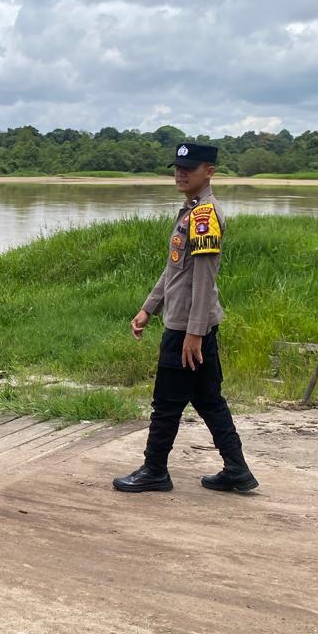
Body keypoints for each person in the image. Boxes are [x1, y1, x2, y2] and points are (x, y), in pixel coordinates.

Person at [112, 142, 258, 495]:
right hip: (185, 322)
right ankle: (237, 471)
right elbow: (175, 270)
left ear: (209, 171)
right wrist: (149, 308)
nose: (180, 174)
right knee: (208, 399)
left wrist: (193, 333)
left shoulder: (205, 216)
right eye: (177, 168)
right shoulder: (190, 212)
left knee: (166, 403)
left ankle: (155, 470)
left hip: (187, 329)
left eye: (189, 169)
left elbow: (204, 280)